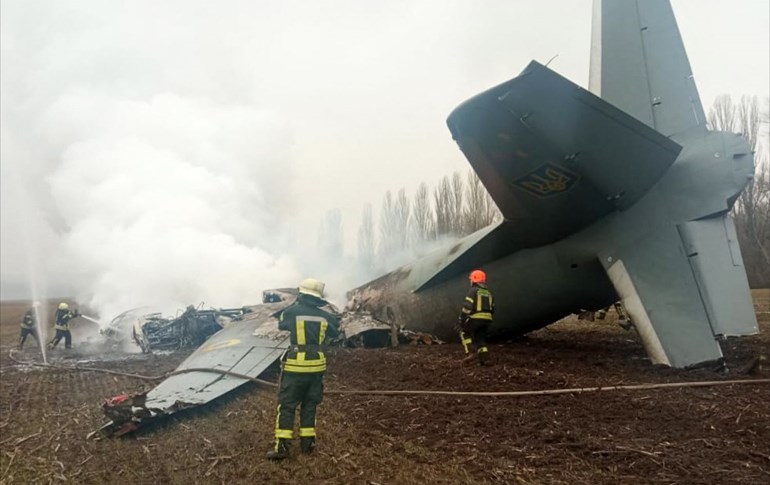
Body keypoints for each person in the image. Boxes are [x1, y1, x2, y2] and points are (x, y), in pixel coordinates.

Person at [266, 278, 340, 460]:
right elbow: (335, 331)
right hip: (317, 368)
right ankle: (308, 445)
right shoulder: (327, 317)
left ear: (301, 293)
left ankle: (282, 448)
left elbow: (281, 324)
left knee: (287, 406)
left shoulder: (291, 312)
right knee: (310, 405)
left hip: (296, 368)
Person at [457, 269, 494, 366]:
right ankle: (485, 360)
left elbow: (467, 307)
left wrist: (462, 319)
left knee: (464, 332)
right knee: (480, 339)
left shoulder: (473, 291)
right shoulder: (488, 293)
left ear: (474, 280)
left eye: (471, 279)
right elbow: (493, 308)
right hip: (487, 320)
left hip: (476, 319)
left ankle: (470, 353)